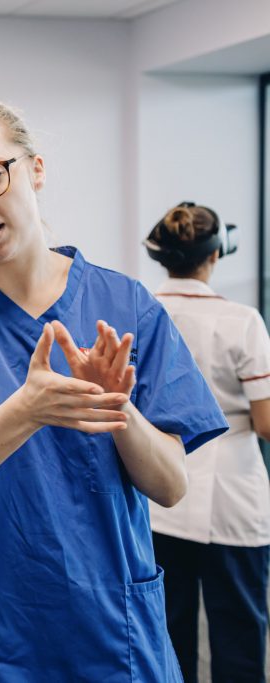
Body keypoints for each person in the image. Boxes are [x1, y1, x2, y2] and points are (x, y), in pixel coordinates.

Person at [0, 100, 229, 682]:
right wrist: (30, 409)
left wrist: (117, 411)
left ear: (35, 169)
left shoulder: (126, 304)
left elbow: (170, 485)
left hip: (112, 623)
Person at [146, 202, 270, 683]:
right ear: (216, 254)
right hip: (231, 495)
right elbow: (265, 424)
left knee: (166, 628)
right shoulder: (242, 320)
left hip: (157, 489)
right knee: (238, 626)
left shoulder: (142, 310)